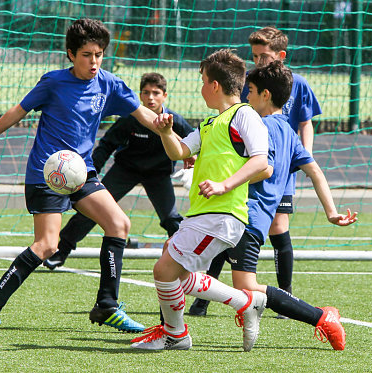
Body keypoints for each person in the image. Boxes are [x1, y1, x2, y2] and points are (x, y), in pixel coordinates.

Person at [0, 18, 161, 334]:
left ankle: (107, 306)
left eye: (98, 54)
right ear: (71, 54)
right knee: (47, 244)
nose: (94, 61)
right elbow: (17, 111)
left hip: (81, 172)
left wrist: (176, 139)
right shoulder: (54, 82)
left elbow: (146, 115)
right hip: (48, 172)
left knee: (119, 224)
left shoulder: (110, 83)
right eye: (86, 55)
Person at [130, 49, 270, 352]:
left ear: (215, 85)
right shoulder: (209, 122)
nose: (201, 87)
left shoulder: (244, 115)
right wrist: (166, 132)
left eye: (203, 81)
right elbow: (179, 152)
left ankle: (176, 335)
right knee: (178, 271)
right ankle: (247, 302)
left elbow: (261, 162)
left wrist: (224, 184)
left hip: (223, 214)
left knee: (164, 271)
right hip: (202, 213)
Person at [214, 61, 356, 350]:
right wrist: (331, 212)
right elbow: (315, 171)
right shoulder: (289, 132)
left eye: (250, 91)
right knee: (181, 260)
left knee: (245, 287)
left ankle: (321, 317)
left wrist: (224, 180)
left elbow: (261, 166)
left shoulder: (259, 126)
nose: (246, 97)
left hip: (245, 217)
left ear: (265, 94)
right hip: (247, 218)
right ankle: (178, 325)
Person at [190, 26, 323, 317]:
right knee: (229, 237)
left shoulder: (295, 84)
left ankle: (288, 299)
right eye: (255, 56)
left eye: (264, 56)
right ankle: (205, 300)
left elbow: (305, 124)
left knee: (277, 230)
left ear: (280, 55)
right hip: (250, 174)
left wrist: (300, 160)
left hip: (277, 170)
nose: (259, 61)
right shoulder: (250, 85)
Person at [43, 72, 193, 270]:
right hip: (125, 170)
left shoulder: (176, 122)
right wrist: (89, 174)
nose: (150, 98)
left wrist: (194, 162)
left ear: (164, 96)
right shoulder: (130, 120)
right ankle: (60, 251)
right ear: (140, 95)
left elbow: (194, 144)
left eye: (156, 93)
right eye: (146, 93)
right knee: (93, 209)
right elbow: (106, 145)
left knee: (171, 217)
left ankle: (184, 259)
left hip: (158, 175)